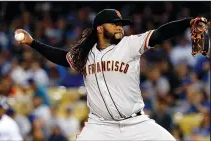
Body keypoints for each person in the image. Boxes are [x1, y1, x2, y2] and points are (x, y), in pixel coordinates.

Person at [15, 9, 209, 140]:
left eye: (121, 24)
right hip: (99, 126)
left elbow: (160, 33)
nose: (119, 27)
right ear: (100, 28)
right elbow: (60, 57)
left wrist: (187, 22)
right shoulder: (85, 54)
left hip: (135, 123)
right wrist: (33, 43)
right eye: (114, 23)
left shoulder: (130, 44)